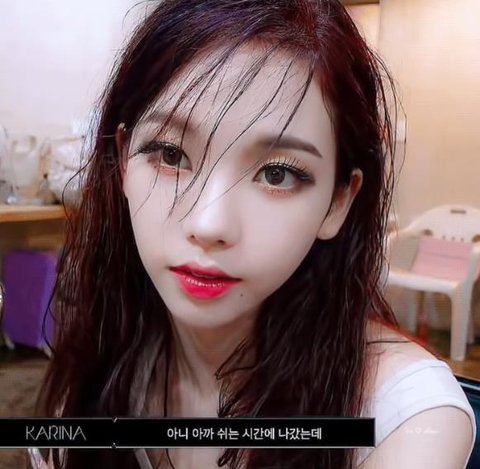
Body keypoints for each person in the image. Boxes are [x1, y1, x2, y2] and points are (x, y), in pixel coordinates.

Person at [31, 0, 476, 468]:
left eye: (278, 174)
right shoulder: (102, 360)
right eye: (170, 154)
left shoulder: (408, 419)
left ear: (338, 201)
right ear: (123, 160)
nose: (209, 224)